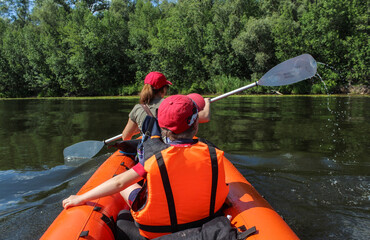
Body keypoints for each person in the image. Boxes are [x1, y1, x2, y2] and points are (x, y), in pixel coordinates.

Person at [62, 95, 229, 239]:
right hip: (206, 221)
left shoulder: (154, 161)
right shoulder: (215, 154)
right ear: (196, 125)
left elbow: (119, 183)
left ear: (163, 129)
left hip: (156, 231)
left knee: (123, 212)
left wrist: (81, 198)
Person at [121, 71, 172, 140]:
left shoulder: (138, 109)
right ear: (163, 89)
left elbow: (125, 137)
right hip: (168, 148)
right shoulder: (171, 104)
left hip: (149, 148)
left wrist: (139, 128)